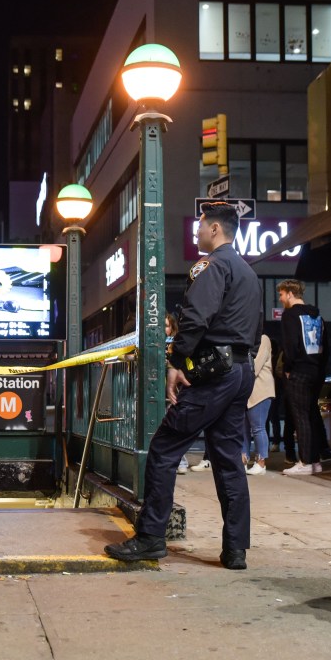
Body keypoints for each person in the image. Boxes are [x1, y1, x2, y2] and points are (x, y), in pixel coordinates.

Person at [105, 201, 262, 570]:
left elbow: (195, 319)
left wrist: (176, 362)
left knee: (163, 448)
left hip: (213, 373)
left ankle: (150, 537)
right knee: (228, 460)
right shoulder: (247, 271)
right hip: (241, 370)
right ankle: (235, 550)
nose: (196, 231)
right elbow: (254, 329)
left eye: (201, 225)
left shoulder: (211, 266)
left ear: (216, 230)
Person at [277, 280, 331, 476]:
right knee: (312, 415)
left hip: (299, 371)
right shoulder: (318, 315)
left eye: (282, 294)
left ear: (290, 293)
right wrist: (320, 368)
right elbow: (326, 346)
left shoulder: (290, 315)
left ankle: (305, 461)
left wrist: (289, 368)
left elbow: (290, 345)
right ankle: (315, 461)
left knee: (300, 417)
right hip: (316, 371)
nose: (281, 299)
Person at [244, 333, 274, 475]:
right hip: (246, 390)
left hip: (261, 389)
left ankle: (261, 463)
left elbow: (255, 366)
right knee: (243, 428)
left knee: (258, 427)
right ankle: (243, 460)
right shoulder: (245, 337)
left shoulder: (263, 339)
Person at [167, 313, 191, 475]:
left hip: (173, 393)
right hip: (158, 392)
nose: (164, 329)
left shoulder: (176, 345)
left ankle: (181, 460)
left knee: (174, 428)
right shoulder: (151, 343)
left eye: (167, 325)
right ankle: (173, 461)